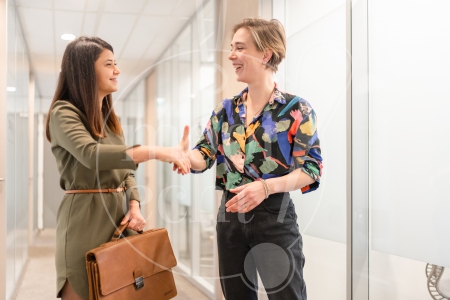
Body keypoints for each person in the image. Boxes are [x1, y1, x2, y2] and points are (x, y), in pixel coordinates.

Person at [177, 18, 323, 299]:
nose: (231, 55)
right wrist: (186, 156)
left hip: (274, 217)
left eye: (239, 48)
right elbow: (204, 153)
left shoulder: (297, 109)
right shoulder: (225, 110)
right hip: (230, 217)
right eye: (232, 48)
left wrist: (266, 187)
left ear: (265, 54)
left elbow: (311, 169)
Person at [45, 36, 191, 300]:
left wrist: (134, 204)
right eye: (109, 64)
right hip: (84, 221)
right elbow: (92, 155)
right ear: (85, 72)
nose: (117, 70)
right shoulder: (62, 113)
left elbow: (126, 171)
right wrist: (156, 152)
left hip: (119, 219)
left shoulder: (110, 118)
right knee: (85, 287)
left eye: (116, 64)